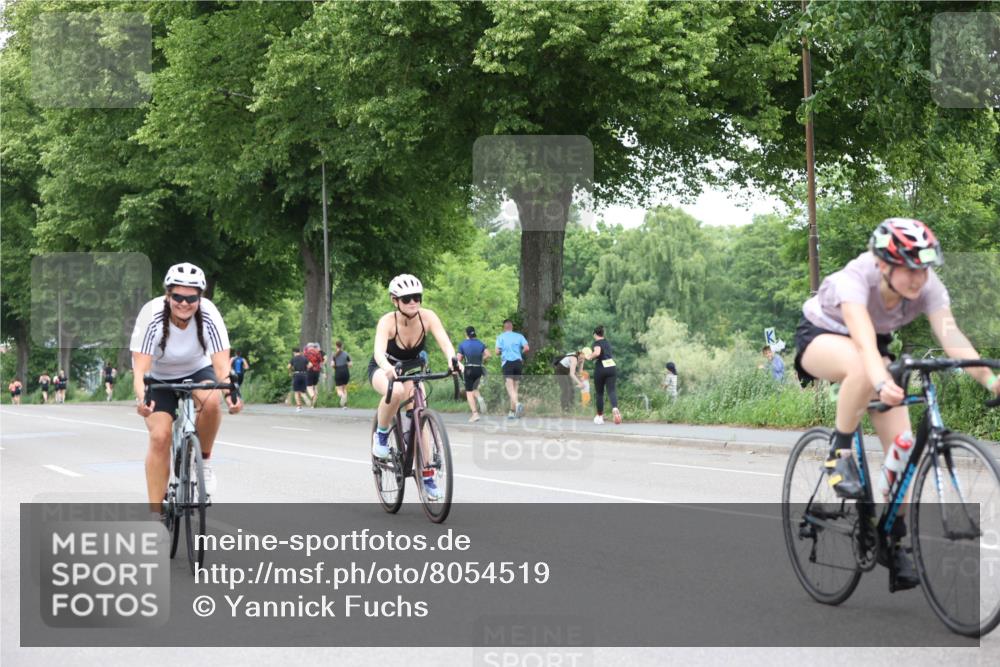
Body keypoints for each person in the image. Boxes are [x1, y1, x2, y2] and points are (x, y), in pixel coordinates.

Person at [794, 217, 1000, 590]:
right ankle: (839, 453)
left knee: (905, 449)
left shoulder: (928, 286)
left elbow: (952, 337)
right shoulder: (857, 278)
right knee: (863, 364)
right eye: (909, 269)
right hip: (823, 335)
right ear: (883, 264)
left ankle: (892, 536)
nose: (918, 279)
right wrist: (879, 380)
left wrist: (990, 379)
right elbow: (863, 344)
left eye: (923, 268)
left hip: (876, 349)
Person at [130, 262, 242, 518]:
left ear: (199, 298)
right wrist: (142, 399)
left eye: (191, 298)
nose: (184, 303)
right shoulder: (152, 315)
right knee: (160, 437)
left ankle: (203, 462)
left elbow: (221, 364)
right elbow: (140, 370)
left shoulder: (209, 314)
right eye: (177, 296)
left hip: (196, 369)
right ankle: (156, 515)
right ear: (168, 295)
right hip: (157, 377)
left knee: (212, 402)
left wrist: (231, 395)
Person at [368, 274, 460, 500]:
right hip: (384, 367)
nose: (413, 302)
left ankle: (427, 476)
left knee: (422, 419)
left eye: (417, 297)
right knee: (396, 392)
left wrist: (453, 360)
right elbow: (379, 352)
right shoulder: (387, 321)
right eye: (407, 298)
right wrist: (387, 367)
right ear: (395, 300)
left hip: (411, 368)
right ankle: (381, 435)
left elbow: (445, 343)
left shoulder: (428, 317)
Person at [584, 325, 621, 424]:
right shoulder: (607, 342)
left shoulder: (597, 343)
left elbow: (597, 352)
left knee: (599, 393)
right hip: (611, 367)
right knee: (611, 390)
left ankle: (600, 416)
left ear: (595, 334)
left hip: (601, 368)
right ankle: (614, 408)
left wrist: (589, 357)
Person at [495, 319, 529, 419]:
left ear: (504, 327)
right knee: (515, 388)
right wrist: (519, 353)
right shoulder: (519, 336)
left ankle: (518, 404)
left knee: (509, 388)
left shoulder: (500, 337)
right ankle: (512, 412)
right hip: (518, 362)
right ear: (511, 327)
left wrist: (503, 351)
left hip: (507, 363)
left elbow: (497, 352)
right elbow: (527, 348)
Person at [457, 326, 491, 422]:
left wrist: (455, 367)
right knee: (474, 388)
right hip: (478, 368)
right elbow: (488, 354)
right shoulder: (480, 343)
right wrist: (481, 359)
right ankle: (479, 398)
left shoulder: (463, 344)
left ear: (466, 334)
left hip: (468, 369)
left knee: (469, 392)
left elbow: (458, 359)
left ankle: (475, 414)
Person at [553, 349, 587, 413]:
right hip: (560, 370)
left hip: (567, 370)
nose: (582, 360)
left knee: (572, 389)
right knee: (566, 389)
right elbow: (572, 374)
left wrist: (582, 380)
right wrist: (579, 383)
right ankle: (564, 409)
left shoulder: (582, 358)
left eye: (584, 358)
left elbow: (580, 372)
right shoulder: (573, 359)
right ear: (580, 354)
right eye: (582, 358)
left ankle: (571, 408)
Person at [331, 340, 352, 408]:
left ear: (336, 346)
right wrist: (345, 366)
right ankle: (344, 405)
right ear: (342, 345)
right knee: (344, 389)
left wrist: (336, 367)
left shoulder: (334, 355)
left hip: (338, 371)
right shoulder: (346, 354)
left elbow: (332, 365)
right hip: (345, 371)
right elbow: (350, 364)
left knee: (338, 389)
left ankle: (342, 397)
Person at [304, 342, 325, 407]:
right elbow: (321, 362)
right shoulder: (318, 352)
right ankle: (313, 403)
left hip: (310, 370)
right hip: (317, 371)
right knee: (315, 385)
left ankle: (313, 396)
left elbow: (304, 361)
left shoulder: (306, 353)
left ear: (308, 347)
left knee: (309, 386)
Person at [288, 347, 309, 411]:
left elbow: (288, 366)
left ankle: (298, 407)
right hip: (304, 375)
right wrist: (305, 369)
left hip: (296, 375)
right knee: (302, 391)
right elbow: (310, 365)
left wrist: (290, 372)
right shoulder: (304, 358)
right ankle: (306, 399)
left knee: (296, 392)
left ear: (294, 352)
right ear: (299, 351)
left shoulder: (293, 359)